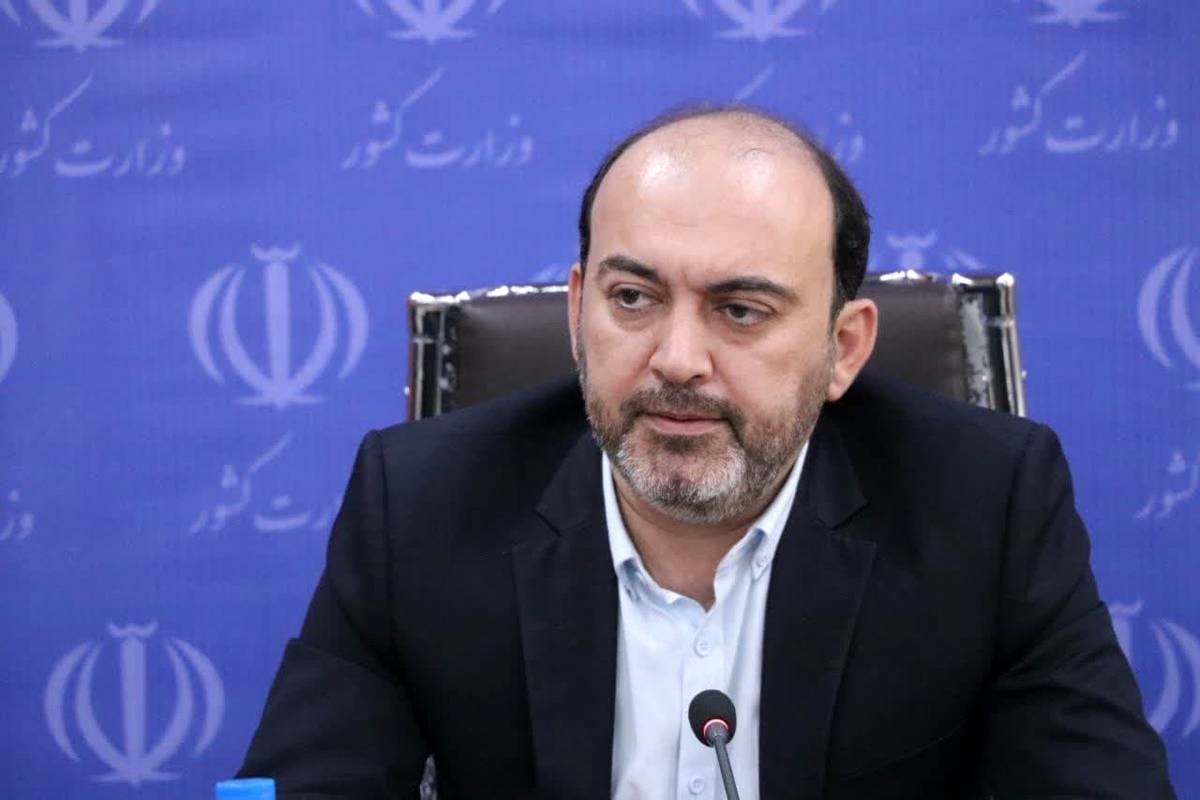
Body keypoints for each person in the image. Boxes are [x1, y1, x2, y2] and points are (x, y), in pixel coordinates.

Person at [239, 106, 1175, 799]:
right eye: (633, 299)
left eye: (740, 311)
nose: (677, 359)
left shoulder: (987, 506)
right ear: (576, 311)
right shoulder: (417, 506)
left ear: (844, 348)